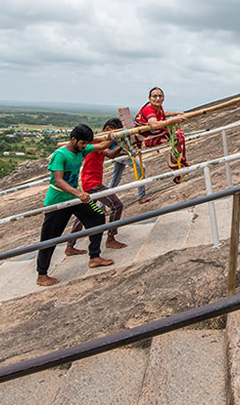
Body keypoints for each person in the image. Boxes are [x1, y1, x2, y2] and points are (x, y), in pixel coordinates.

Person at [36, 124, 113, 287]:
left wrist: (114, 136)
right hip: (58, 201)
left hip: (74, 198)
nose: (85, 146)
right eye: (82, 143)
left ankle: (94, 257)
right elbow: (58, 180)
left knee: (97, 217)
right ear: (73, 140)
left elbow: (101, 145)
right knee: (49, 238)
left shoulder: (81, 150)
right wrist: (78, 193)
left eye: (86, 143)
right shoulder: (60, 155)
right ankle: (42, 275)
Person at [66, 119, 128, 254]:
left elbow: (110, 154)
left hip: (90, 182)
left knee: (84, 214)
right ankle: (111, 238)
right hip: (93, 184)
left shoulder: (98, 141)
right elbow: (110, 153)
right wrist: (118, 139)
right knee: (117, 205)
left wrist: (126, 150)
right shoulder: (96, 141)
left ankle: (70, 246)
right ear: (108, 129)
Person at [135, 87, 189, 185]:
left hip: (151, 133)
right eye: (154, 96)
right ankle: (174, 164)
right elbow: (154, 124)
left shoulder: (157, 108)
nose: (157, 98)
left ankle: (176, 163)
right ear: (149, 98)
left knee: (177, 136)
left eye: (160, 96)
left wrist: (175, 113)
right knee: (176, 135)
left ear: (163, 98)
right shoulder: (149, 109)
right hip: (144, 137)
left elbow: (162, 114)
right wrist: (173, 120)